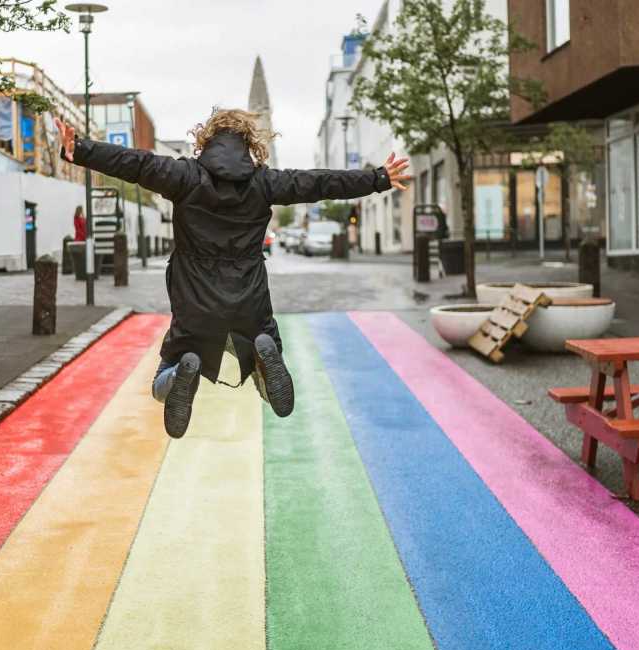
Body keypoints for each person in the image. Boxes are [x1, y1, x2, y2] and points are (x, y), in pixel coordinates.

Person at [55, 109, 409, 438]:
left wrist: (81, 149)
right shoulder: (264, 183)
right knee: (265, 367)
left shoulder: (183, 176)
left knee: (163, 377)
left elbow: (135, 163)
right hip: (249, 300)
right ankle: (265, 363)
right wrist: (378, 178)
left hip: (195, 303)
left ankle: (181, 372)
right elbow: (318, 183)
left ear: (204, 141)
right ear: (249, 145)